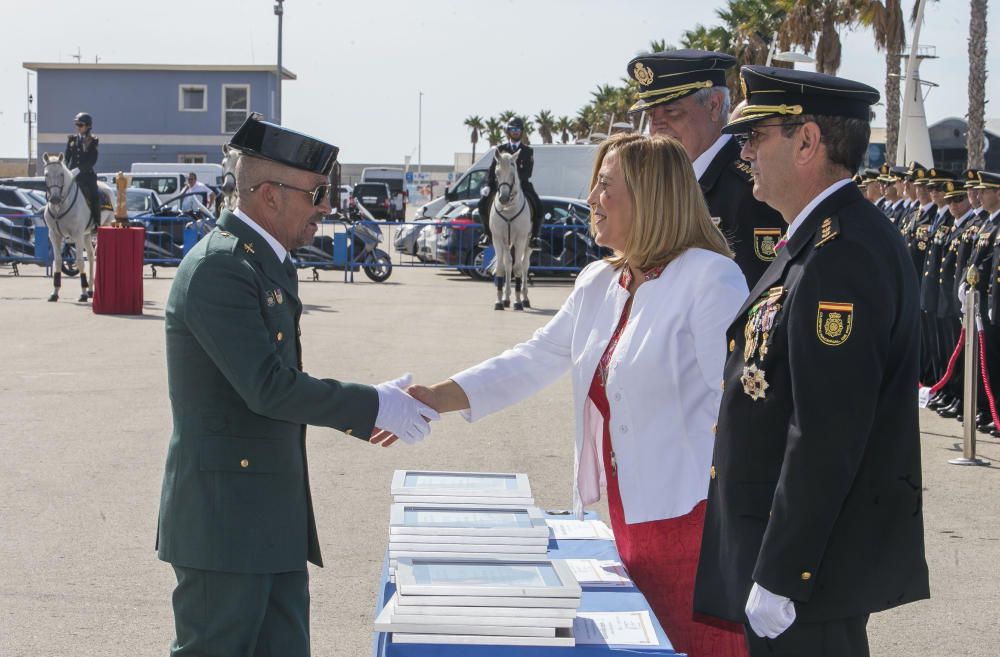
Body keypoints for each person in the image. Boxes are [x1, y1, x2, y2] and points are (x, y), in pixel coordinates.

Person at [411, 133, 750, 657]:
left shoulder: (710, 279)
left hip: (695, 525)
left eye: (605, 186)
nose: (591, 198)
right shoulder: (599, 281)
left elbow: (740, 415)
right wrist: (435, 397)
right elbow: (532, 358)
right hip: (628, 517)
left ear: (651, 196)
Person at [156, 115, 438, 657]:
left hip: (268, 513)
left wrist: (374, 401)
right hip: (226, 523)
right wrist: (373, 404)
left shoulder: (264, 262)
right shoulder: (221, 268)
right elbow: (268, 387)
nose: (326, 207)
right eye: (316, 193)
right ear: (268, 196)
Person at [692, 65, 929, 657]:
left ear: (807, 142)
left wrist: (784, 571)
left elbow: (827, 429)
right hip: (783, 548)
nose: (742, 153)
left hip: (808, 568)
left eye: (755, 136)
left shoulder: (840, 252)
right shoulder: (816, 238)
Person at [625, 49, 785, 287]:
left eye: (671, 111)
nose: (657, 126)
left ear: (714, 105)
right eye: (651, 115)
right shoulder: (666, 185)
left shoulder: (752, 187)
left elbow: (760, 291)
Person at [477, 117, 544, 248]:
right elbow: (492, 170)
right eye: (513, 129)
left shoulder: (527, 151)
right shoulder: (500, 149)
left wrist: (515, 179)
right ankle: (487, 235)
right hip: (502, 184)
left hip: (522, 184)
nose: (515, 132)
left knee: (539, 206)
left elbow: (528, 172)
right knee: (481, 204)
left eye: (518, 129)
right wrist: (488, 185)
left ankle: (535, 237)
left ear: (521, 131)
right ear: (508, 131)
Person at [64, 112, 103, 228]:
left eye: (80, 125)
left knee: (95, 195)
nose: (78, 127)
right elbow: (66, 158)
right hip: (72, 176)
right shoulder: (72, 139)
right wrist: (66, 170)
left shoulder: (93, 140)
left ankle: (96, 223)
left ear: (88, 127)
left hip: (86, 176)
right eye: (77, 124)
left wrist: (79, 170)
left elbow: (92, 160)